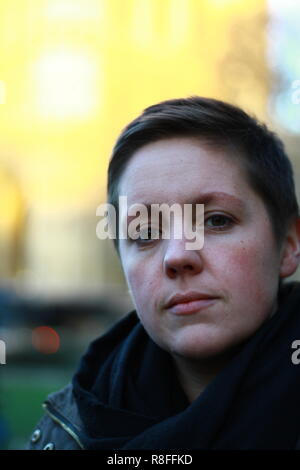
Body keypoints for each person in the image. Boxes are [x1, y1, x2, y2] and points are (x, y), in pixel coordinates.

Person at [27, 97, 300, 450]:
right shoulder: (64, 434)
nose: (177, 255)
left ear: (289, 244)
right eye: (144, 233)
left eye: (216, 220)